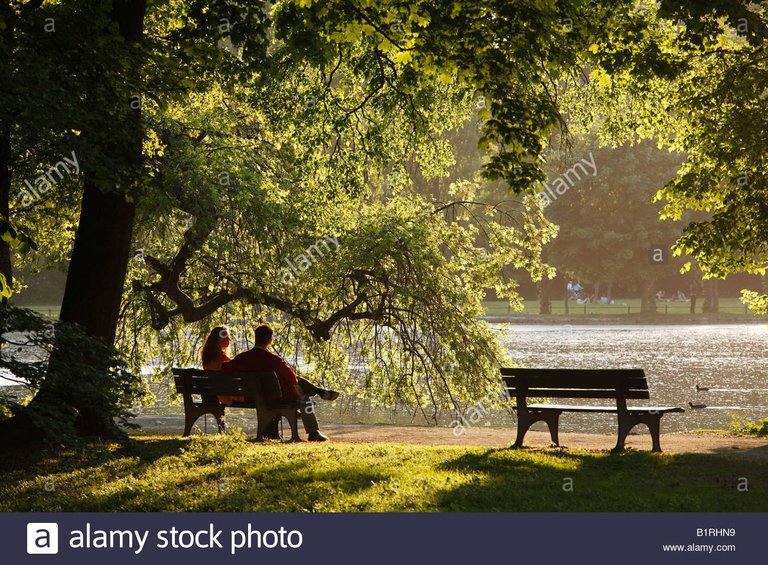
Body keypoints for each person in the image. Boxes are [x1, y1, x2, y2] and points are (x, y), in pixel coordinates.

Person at [221, 323, 338, 442]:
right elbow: (293, 379)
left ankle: (317, 391)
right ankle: (313, 432)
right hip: (276, 397)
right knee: (305, 399)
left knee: (295, 387)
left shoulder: (242, 358)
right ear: (270, 341)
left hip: (250, 397)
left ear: (255, 338)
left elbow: (225, 369)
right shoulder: (274, 359)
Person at [201, 326, 240, 405]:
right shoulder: (222, 358)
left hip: (207, 394)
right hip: (221, 394)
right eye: (226, 337)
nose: (229, 339)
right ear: (218, 339)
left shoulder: (206, 356)